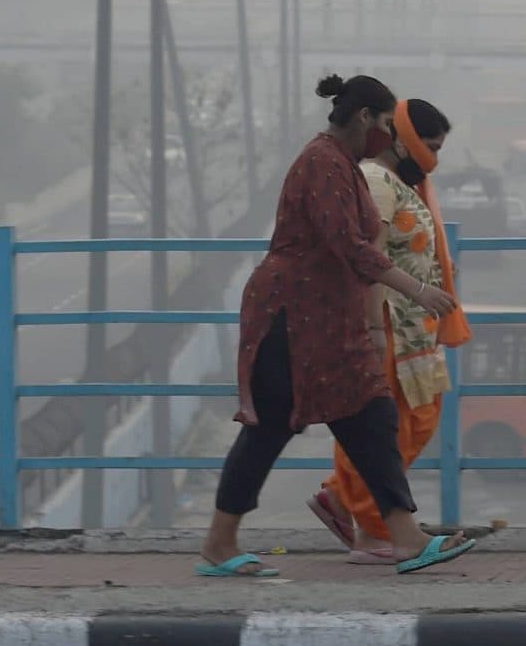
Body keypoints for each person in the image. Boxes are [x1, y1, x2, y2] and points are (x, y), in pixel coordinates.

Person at [199, 75, 478, 577]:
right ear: (365, 118)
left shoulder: (344, 166)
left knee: (373, 418)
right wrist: (418, 290)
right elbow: (351, 246)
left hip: (327, 318)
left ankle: (404, 536)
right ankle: (220, 544)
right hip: (290, 316)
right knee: (270, 430)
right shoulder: (321, 164)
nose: (394, 139)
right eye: (389, 125)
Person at [309, 97, 468, 561]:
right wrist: (373, 330)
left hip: (414, 330)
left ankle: (343, 499)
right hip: (390, 327)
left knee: (411, 423)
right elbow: (366, 256)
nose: (433, 159)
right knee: (389, 430)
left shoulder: (398, 182)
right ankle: (375, 531)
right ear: (404, 139)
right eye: (429, 146)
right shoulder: (377, 182)